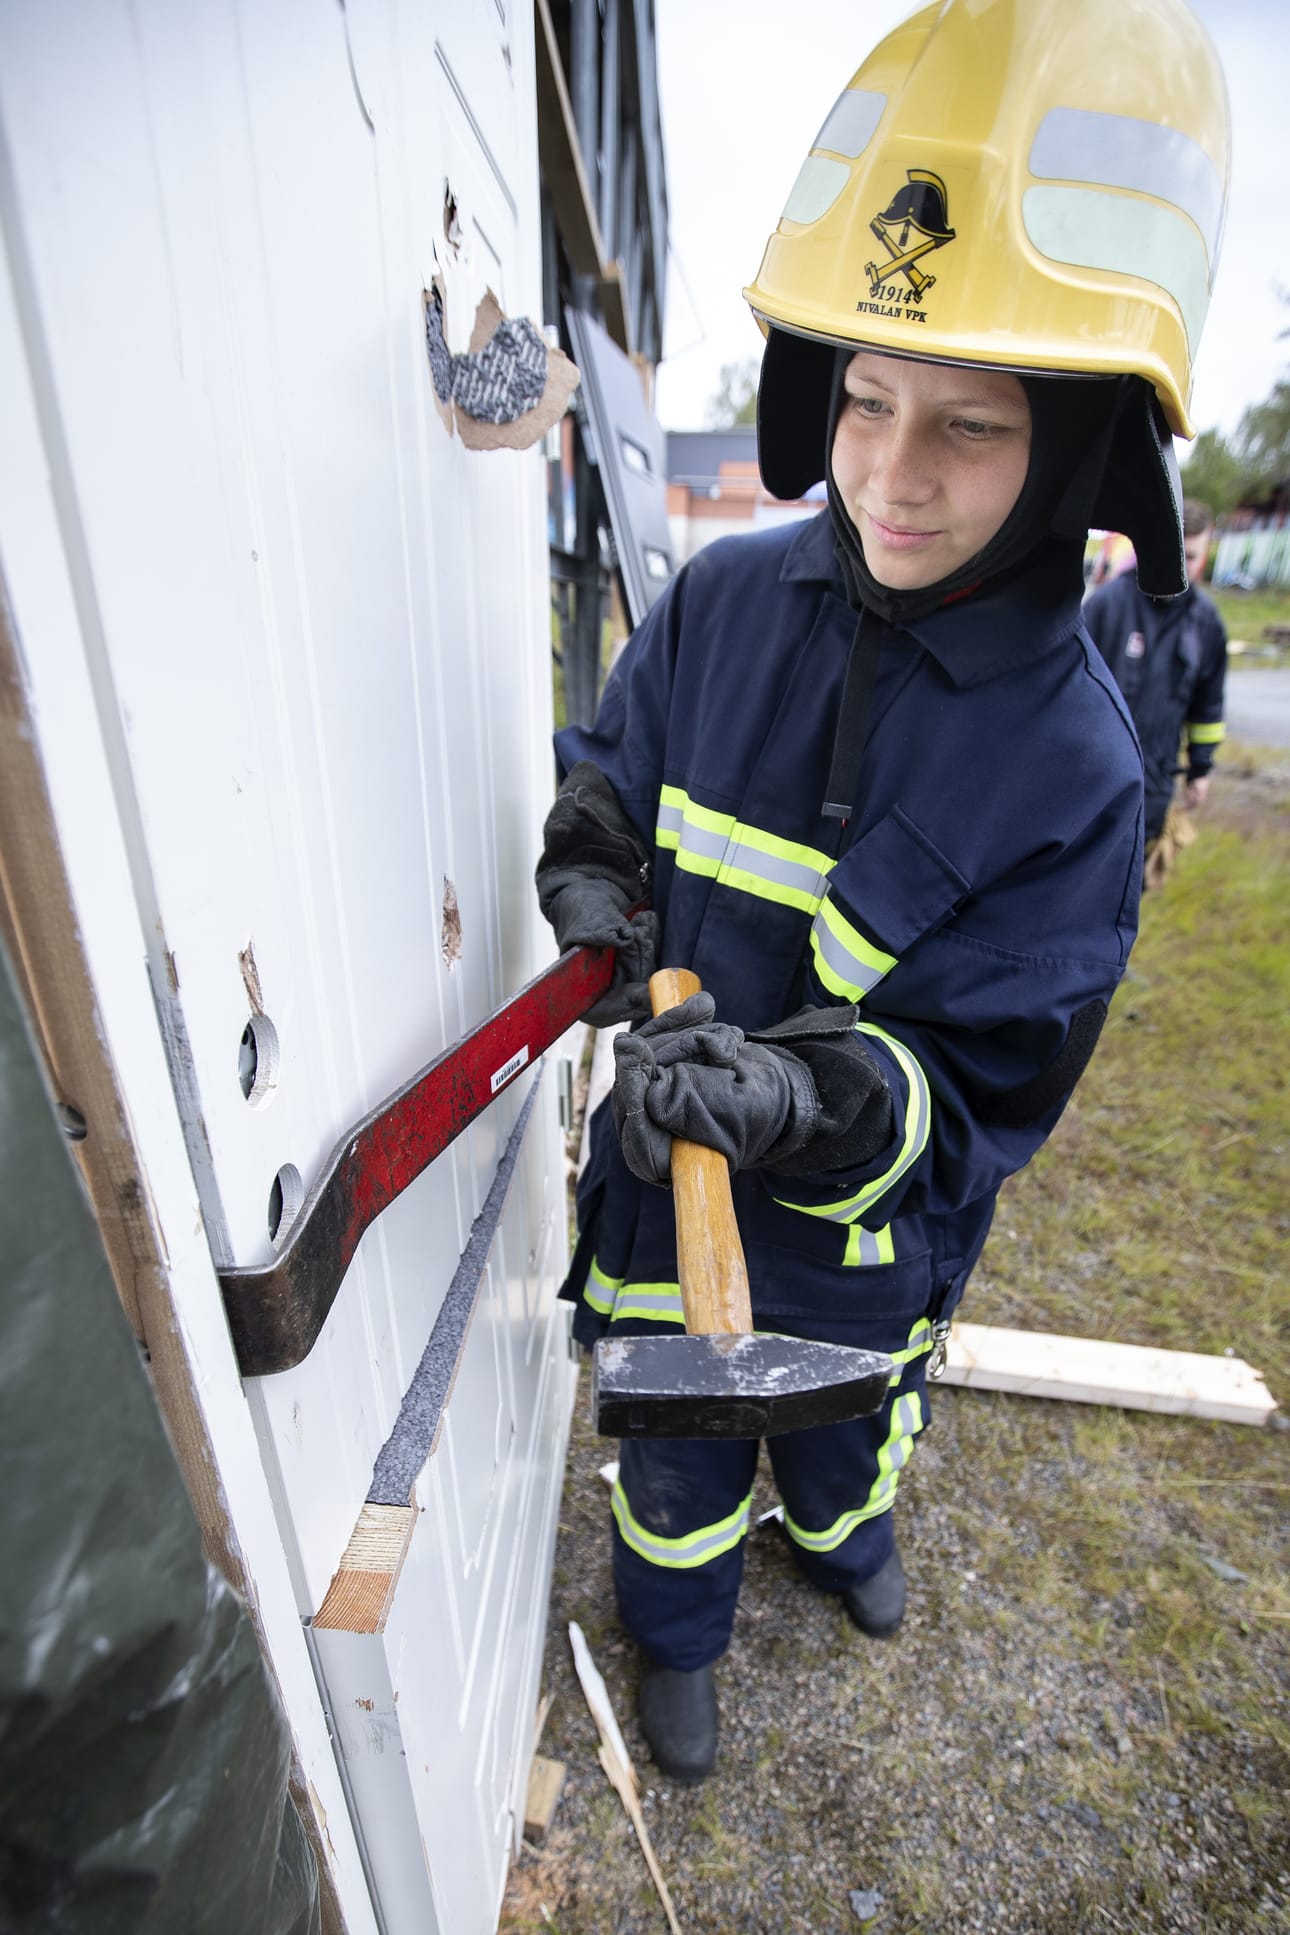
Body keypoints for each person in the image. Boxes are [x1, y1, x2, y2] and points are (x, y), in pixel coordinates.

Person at [535, 0, 1229, 1783]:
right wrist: (596, 870)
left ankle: (846, 1532)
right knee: (676, 1459)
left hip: (861, 1237)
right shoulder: (716, 603)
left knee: (860, 1422)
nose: (893, 479)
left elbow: (998, 1076)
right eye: (865, 401)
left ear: (1078, 455)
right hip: (662, 1188)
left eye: (972, 429)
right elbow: (615, 767)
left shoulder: (1079, 759)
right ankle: (676, 1628)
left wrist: (806, 1096)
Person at [1084, 499, 1228, 882]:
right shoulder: (1106, 606)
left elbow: (1208, 704)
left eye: (1193, 556)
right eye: (1177, 551)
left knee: (1129, 895)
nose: (1183, 564)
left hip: (1155, 785)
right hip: (1091, 782)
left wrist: (1201, 769)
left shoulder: (1207, 623)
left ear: (1206, 553)